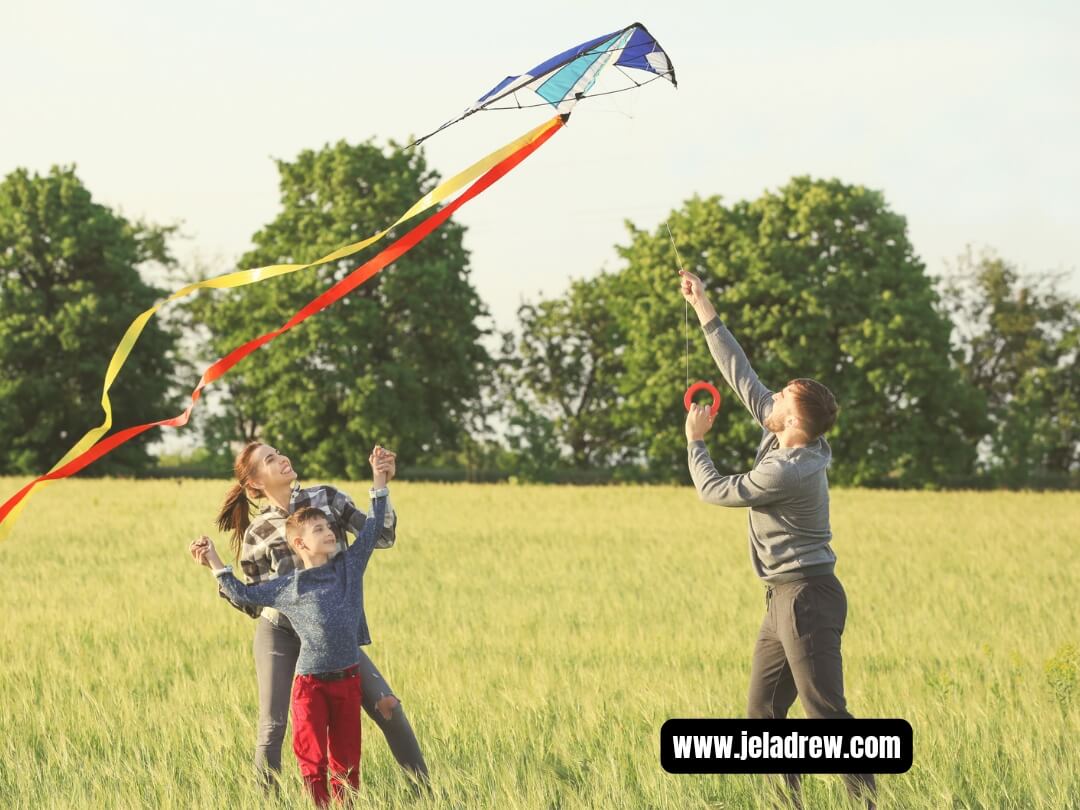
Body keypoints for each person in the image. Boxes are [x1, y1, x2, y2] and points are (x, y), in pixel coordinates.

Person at [679, 268, 876, 809]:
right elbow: (742, 377)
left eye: (782, 397)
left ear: (793, 420)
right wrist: (704, 308)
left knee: (825, 714)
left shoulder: (788, 470)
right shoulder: (787, 434)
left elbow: (718, 490)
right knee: (763, 714)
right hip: (782, 598)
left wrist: (696, 442)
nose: (773, 397)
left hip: (805, 597)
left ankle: (866, 802)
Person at [188, 442, 427, 788]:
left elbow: (383, 535)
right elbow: (252, 603)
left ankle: (427, 795)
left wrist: (380, 484)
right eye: (270, 460)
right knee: (273, 728)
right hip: (280, 634)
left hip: (332, 636)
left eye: (279, 453)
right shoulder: (258, 532)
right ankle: (263, 800)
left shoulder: (327, 499)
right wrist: (216, 567)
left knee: (388, 707)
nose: (282, 459)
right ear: (254, 483)